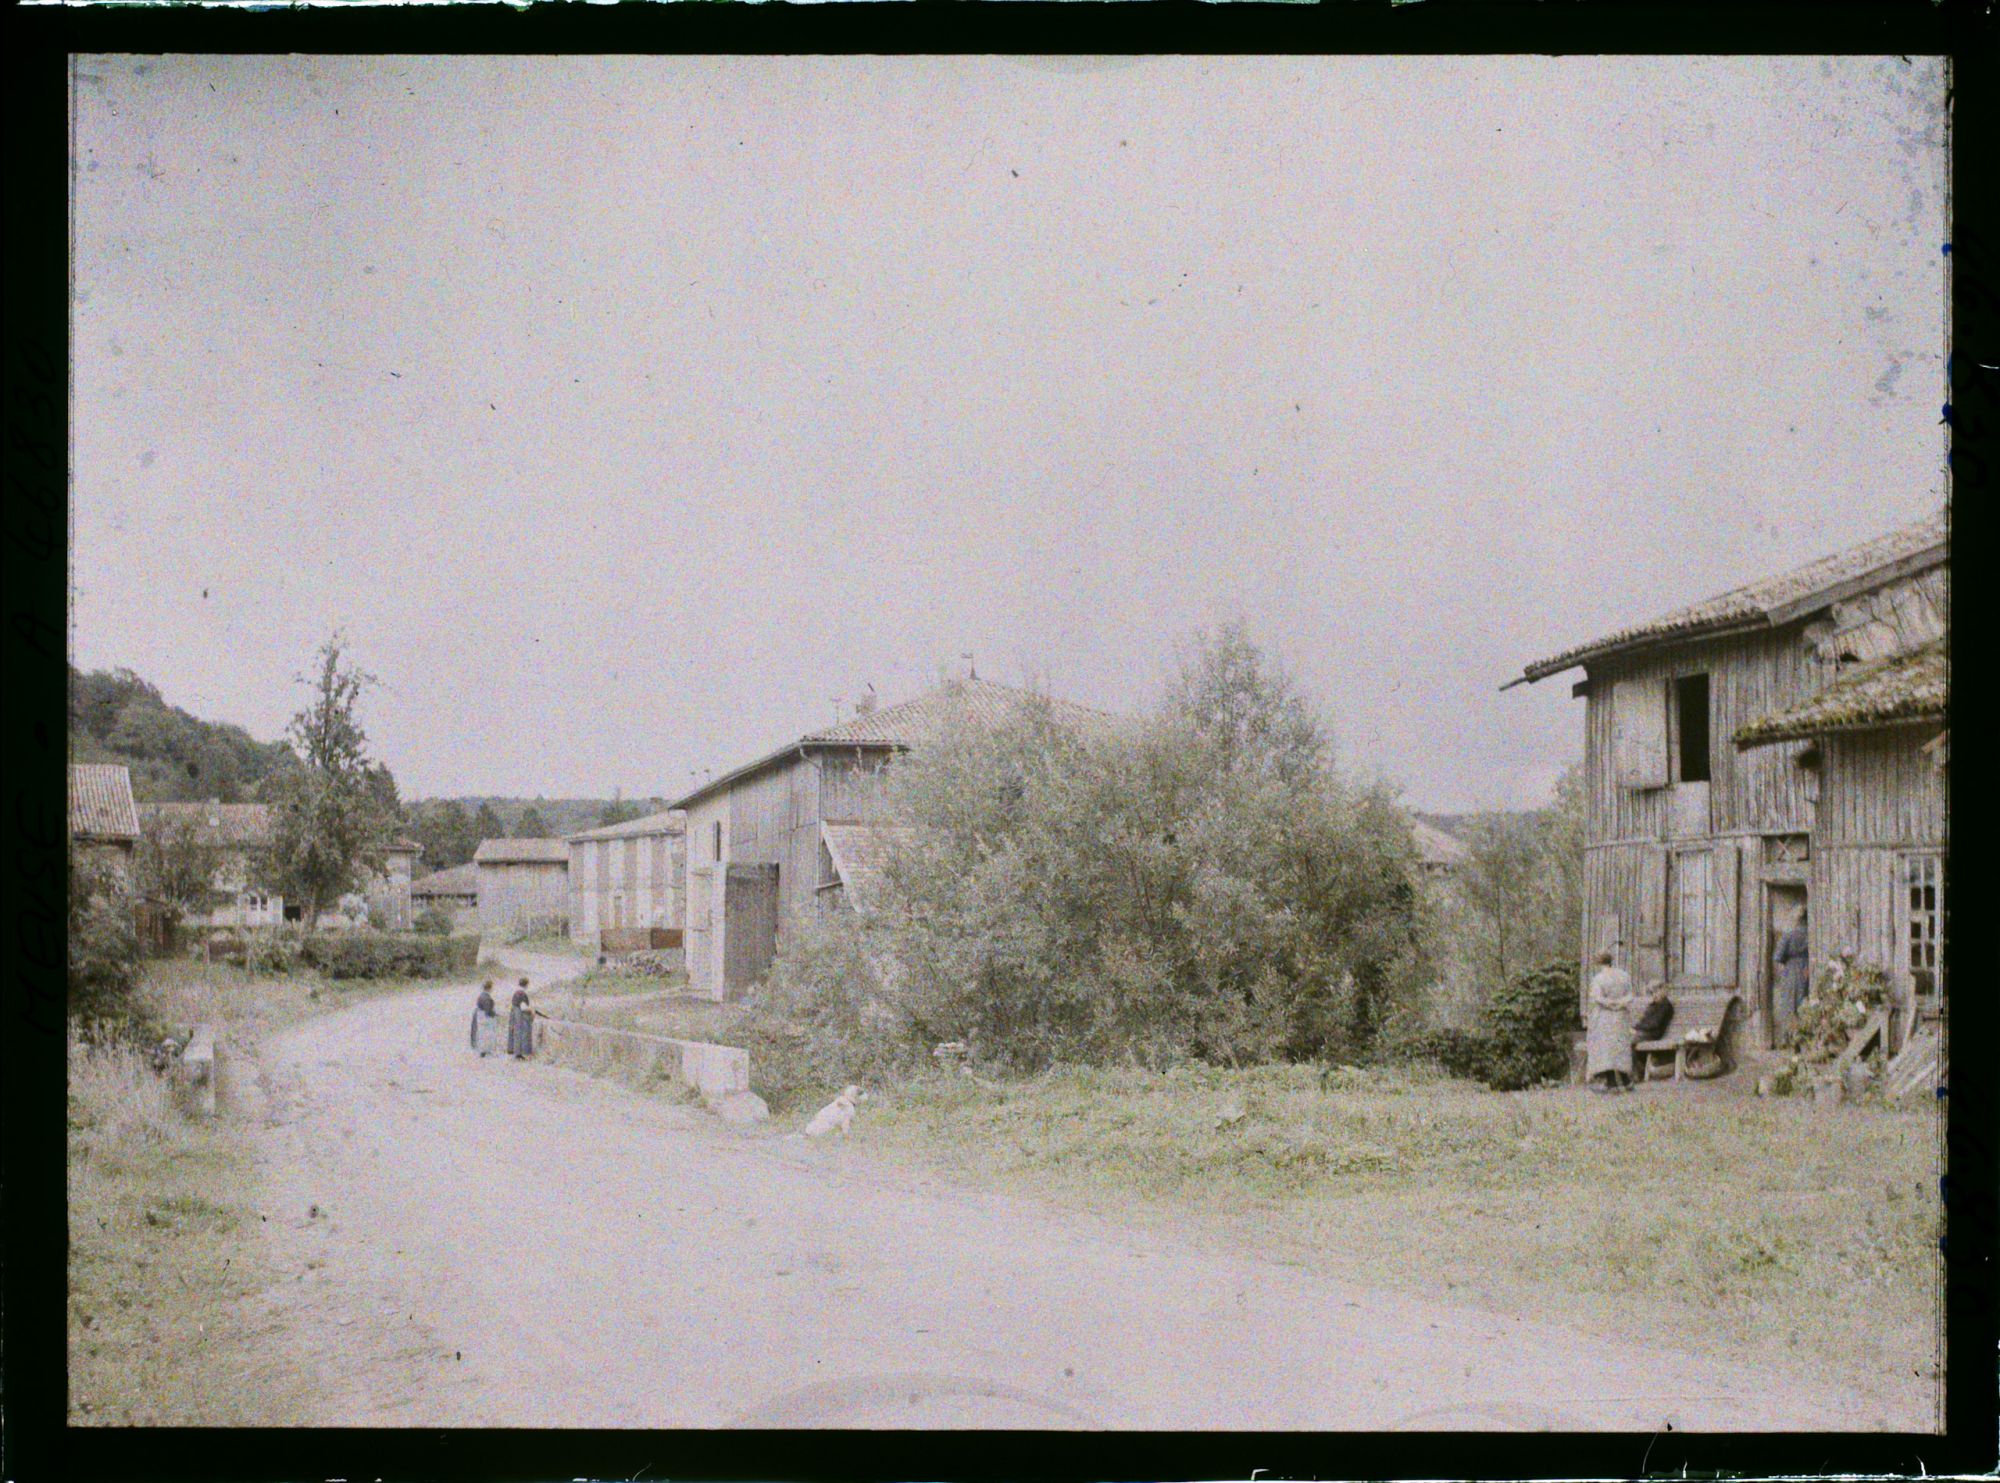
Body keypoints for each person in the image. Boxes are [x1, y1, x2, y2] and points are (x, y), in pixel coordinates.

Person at [1584, 948, 1637, 1092]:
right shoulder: (1624, 976)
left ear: (1598, 963)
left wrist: (1611, 1004)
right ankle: (1625, 1081)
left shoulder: (1599, 979)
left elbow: (1597, 998)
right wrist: (1620, 1003)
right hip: (1621, 1015)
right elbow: (1630, 994)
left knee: (1606, 1048)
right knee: (1619, 1046)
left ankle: (1611, 1082)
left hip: (1605, 1016)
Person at [1773, 906, 1811, 1043]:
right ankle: (1804, 1038)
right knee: (1804, 1002)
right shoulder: (1811, 933)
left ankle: (1788, 1038)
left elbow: (1778, 956)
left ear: (1795, 919)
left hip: (1791, 970)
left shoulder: (1788, 935)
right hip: (1807, 969)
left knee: (1789, 1004)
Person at [508, 979, 537, 1060]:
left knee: (516, 1032)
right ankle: (519, 1053)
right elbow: (523, 1007)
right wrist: (532, 1011)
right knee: (520, 1033)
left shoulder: (516, 992)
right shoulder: (522, 994)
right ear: (526, 985)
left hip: (514, 1013)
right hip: (519, 1014)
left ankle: (515, 1052)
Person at [471, 981, 498, 1058]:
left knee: (482, 1033)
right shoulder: (487, 997)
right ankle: (487, 1050)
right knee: (488, 1033)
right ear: (490, 988)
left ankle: (482, 1050)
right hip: (485, 1017)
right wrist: (495, 1015)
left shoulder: (481, 995)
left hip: (480, 1015)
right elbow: (488, 1010)